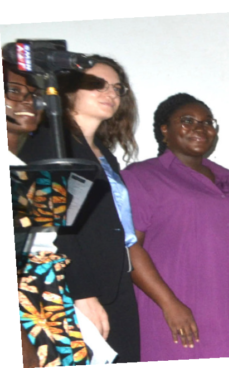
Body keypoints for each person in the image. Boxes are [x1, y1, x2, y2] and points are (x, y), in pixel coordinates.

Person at [120, 93, 229, 361]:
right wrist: (170, 304)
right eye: (188, 121)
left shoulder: (224, 178)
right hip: (180, 308)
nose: (201, 128)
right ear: (164, 129)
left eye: (208, 122)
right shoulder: (141, 176)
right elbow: (128, 248)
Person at [19, 55, 142, 363]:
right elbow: (52, 232)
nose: (110, 93)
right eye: (97, 84)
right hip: (74, 287)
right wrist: (81, 293)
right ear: (69, 90)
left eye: (117, 87)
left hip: (114, 282)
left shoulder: (105, 155)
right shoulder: (49, 146)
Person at [8, 58, 88, 367]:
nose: (28, 101)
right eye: (14, 91)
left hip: (44, 294)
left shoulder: (19, 167)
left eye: (32, 92)